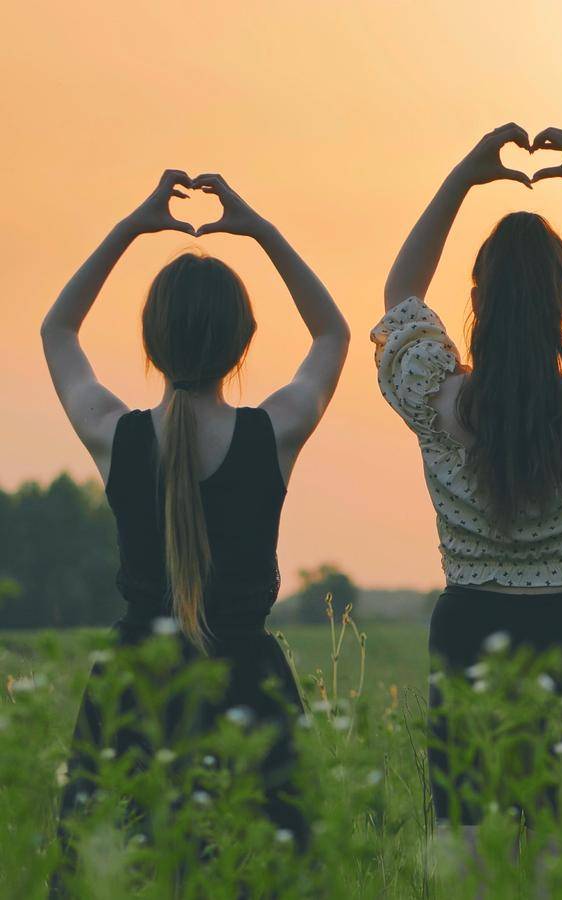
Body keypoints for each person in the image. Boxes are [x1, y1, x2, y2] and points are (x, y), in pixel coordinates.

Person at [375, 124, 562, 839]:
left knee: (474, 863)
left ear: (475, 302)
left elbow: (401, 292)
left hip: (469, 626)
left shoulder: (433, 395)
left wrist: (463, 177)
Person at [42, 170, 350, 871]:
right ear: (244, 342)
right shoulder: (273, 434)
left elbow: (58, 329)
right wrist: (262, 231)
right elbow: (332, 332)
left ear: (149, 341)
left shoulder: (112, 434)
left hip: (132, 693)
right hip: (251, 692)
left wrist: (129, 228)